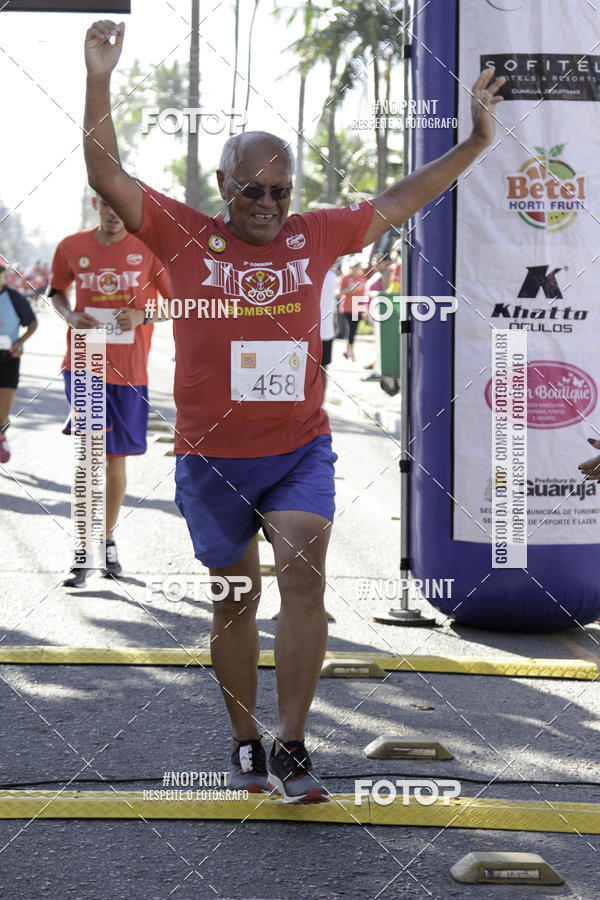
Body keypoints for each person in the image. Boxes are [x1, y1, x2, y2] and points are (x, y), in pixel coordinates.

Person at [81, 18, 504, 802]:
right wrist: (99, 76)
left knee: (304, 569)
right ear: (224, 186)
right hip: (211, 461)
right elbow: (107, 175)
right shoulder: (183, 236)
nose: (269, 205)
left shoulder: (316, 237)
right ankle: (245, 739)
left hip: (299, 448)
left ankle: (295, 744)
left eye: (281, 191)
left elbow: (402, 198)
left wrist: (477, 143)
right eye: (254, 191)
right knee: (234, 601)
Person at [49, 194, 171, 588]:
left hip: (130, 371)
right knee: (89, 453)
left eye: (121, 206)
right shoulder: (71, 247)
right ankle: (83, 552)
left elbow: (180, 303)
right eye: (107, 204)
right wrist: (69, 315)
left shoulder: (149, 248)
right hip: (85, 360)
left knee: (115, 460)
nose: (114, 213)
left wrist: (143, 315)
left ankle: (106, 539)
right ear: (95, 204)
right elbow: (56, 290)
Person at [0, 257, 38, 463]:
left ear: (4, 275)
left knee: (2, 413)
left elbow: (32, 323)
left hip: (8, 359)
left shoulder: (14, 298)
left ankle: (1, 434)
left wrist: (20, 342)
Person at [338, 260, 367, 361]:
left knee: (353, 330)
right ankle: (351, 352)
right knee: (350, 328)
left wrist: (365, 308)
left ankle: (348, 351)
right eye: (354, 266)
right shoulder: (345, 277)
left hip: (358, 307)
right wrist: (350, 289)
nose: (356, 268)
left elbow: (365, 293)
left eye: (358, 266)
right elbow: (339, 292)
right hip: (347, 307)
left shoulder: (362, 277)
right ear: (350, 267)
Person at [319, 265, 338, 396]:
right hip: (325, 331)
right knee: (322, 370)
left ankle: (319, 404)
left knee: (319, 370)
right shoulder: (333, 275)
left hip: (322, 331)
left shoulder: (331, 275)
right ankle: (320, 404)